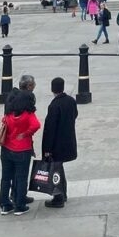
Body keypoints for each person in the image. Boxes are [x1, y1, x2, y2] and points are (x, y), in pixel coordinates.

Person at [0, 85, 41, 215]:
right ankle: (20, 205)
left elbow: (3, 121)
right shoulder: (28, 115)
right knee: (21, 178)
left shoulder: (9, 114)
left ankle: (5, 205)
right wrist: (26, 133)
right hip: (22, 149)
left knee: (6, 178)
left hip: (6, 148)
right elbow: (36, 125)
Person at [41, 77, 78, 209]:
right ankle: (64, 193)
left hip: (56, 144)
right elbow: (75, 115)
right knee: (59, 169)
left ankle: (58, 197)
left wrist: (47, 149)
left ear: (52, 89)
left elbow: (50, 129)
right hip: (68, 140)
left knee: (55, 171)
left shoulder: (54, 105)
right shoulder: (71, 101)